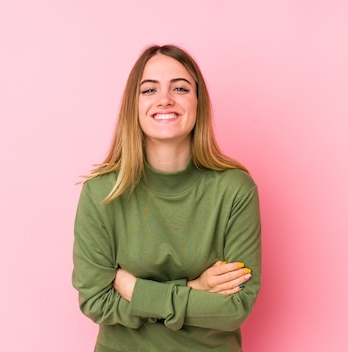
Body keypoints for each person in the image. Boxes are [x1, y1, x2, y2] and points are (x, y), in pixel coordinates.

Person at [72, 44, 261, 352]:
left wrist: (133, 289)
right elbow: (96, 301)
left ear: (199, 102)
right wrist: (194, 288)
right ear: (133, 105)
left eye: (180, 88)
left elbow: (235, 308)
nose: (165, 99)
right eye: (149, 90)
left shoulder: (235, 190)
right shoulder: (102, 192)